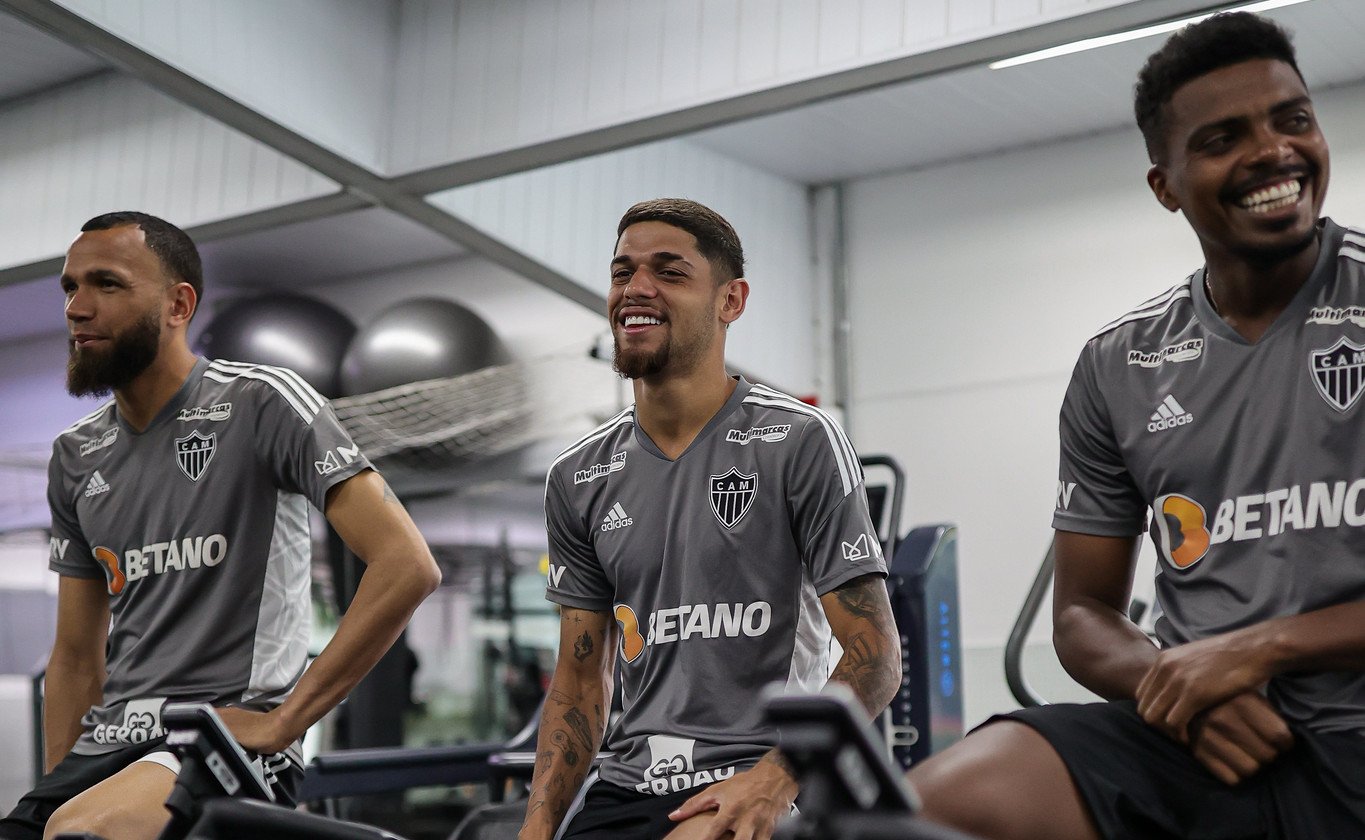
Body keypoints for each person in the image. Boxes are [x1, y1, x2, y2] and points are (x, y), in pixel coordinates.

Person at [907, 12, 1365, 840]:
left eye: (1291, 119)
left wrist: (1256, 649)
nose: (1272, 151)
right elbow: (1082, 613)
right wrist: (1172, 686)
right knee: (925, 809)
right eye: (1223, 139)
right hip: (1208, 743)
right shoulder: (1119, 363)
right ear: (1165, 186)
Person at [0, 212, 442, 840]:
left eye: (107, 284)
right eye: (70, 287)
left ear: (178, 305)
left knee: (85, 834)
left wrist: (286, 721)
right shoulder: (75, 454)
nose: (77, 307)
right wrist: (58, 791)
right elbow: (74, 658)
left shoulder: (262, 402)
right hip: (110, 747)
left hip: (220, 742)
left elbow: (407, 566)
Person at [516, 199, 902, 840]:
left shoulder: (798, 440)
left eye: (669, 272)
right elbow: (580, 684)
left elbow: (876, 655)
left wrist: (776, 778)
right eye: (622, 272)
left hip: (757, 772)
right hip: (626, 786)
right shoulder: (577, 476)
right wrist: (535, 829)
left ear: (731, 300)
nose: (636, 288)